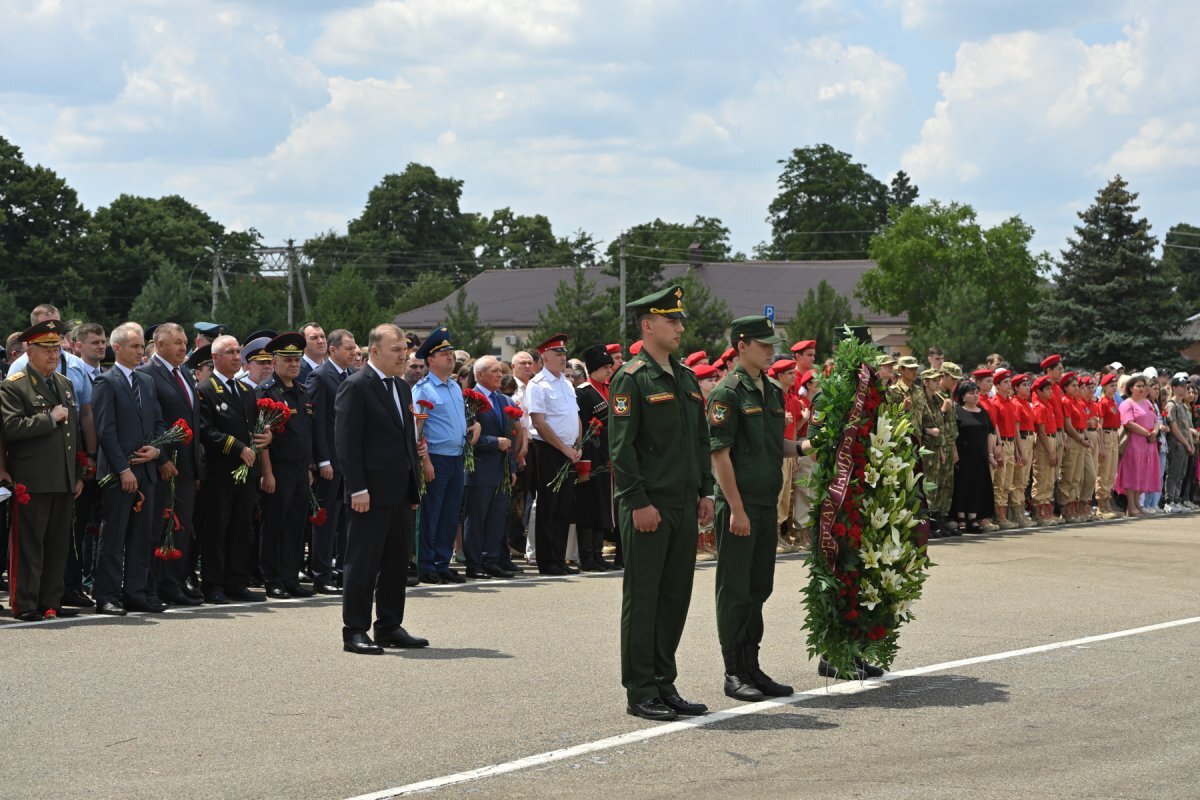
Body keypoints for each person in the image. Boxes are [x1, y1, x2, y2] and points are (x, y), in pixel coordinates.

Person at [609, 284, 714, 722]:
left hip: (683, 504)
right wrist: (637, 501)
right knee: (645, 598)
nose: (679, 326)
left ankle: (665, 682)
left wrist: (705, 490)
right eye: (671, 320)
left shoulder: (686, 377)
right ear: (648, 325)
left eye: (680, 320)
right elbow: (621, 448)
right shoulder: (631, 377)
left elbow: (699, 440)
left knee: (674, 597)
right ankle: (640, 688)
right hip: (649, 505)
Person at [708, 315, 800, 703]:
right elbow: (720, 455)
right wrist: (736, 509)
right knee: (735, 590)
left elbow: (776, 444)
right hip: (740, 508)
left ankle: (752, 665)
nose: (770, 351)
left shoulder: (772, 389)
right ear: (741, 345)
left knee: (759, 588)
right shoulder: (727, 392)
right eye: (763, 345)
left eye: (771, 345)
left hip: (765, 505)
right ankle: (734, 672)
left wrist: (812, 447)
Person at [335, 324, 428, 655]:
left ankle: (389, 625)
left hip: (399, 490)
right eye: (396, 349)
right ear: (374, 351)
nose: (403, 354)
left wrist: (413, 489)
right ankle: (355, 630)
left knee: (396, 562)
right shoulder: (356, 386)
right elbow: (347, 443)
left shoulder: (402, 388)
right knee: (362, 562)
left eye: (404, 349)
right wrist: (357, 487)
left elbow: (406, 441)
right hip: (369, 493)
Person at [0, 320, 83, 620]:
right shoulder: (14, 385)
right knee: (29, 546)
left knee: (57, 545)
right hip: (32, 479)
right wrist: (48, 419)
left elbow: (73, 434)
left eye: (57, 348)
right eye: (46, 349)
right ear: (29, 350)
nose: (53, 354)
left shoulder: (65, 384)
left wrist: (77, 474)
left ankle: (51, 601)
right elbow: (10, 427)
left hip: (62, 478)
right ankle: (25, 604)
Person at [92, 322, 166, 615]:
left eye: (141, 346)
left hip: (145, 470)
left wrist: (157, 450)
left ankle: (135, 591)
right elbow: (105, 431)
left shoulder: (145, 382)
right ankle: (107, 595)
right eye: (135, 347)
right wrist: (123, 469)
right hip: (118, 474)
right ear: (118, 348)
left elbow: (158, 422)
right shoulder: (106, 382)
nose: (140, 352)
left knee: (142, 536)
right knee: (113, 536)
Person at [195, 335, 272, 604]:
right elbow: (206, 431)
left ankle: (236, 580)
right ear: (215, 358)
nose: (236, 356)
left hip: (246, 470)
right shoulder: (206, 389)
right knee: (217, 528)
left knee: (242, 527)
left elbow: (254, 427)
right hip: (219, 471)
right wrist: (238, 447)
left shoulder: (245, 390)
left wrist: (264, 438)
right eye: (229, 352)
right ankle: (213, 584)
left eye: (238, 351)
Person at [139, 322, 203, 606]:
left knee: (181, 528)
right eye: (177, 342)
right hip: (162, 466)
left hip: (187, 467)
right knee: (157, 528)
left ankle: (173, 583)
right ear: (160, 344)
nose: (183, 347)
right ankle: (152, 586)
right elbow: (151, 422)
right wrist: (163, 458)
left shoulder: (185, 374)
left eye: (185, 341)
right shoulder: (147, 374)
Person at [255, 333, 317, 599]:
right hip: (277, 470)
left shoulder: (302, 392)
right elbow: (262, 438)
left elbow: (304, 435)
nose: (294, 365)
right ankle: (272, 578)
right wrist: (267, 472)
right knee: (274, 525)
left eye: (297, 360)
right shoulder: (267, 393)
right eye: (288, 360)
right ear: (275, 361)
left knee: (295, 525)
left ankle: (290, 576)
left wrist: (308, 468)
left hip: (299, 470)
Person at [413, 326, 475, 584]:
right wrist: (425, 461)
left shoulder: (453, 387)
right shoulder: (423, 389)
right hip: (435, 457)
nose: (450, 357)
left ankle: (441, 561)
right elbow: (419, 429)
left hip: (456, 457)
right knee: (431, 513)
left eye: (450, 353)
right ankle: (426, 564)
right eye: (443, 353)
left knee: (450, 514)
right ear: (430, 360)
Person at [526, 333, 582, 575]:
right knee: (549, 505)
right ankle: (547, 561)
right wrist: (564, 448)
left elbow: (575, 416)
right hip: (549, 450)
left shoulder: (566, 384)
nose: (563, 358)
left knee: (564, 507)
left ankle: (559, 558)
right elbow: (539, 422)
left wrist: (578, 444)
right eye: (558, 354)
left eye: (564, 354)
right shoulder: (538, 385)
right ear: (545, 357)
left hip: (570, 451)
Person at [306, 329, 356, 595]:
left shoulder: (351, 376)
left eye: (354, 348)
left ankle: (343, 571)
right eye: (347, 349)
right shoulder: (321, 376)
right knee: (325, 521)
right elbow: (318, 424)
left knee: (346, 521)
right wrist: (321, 460)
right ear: (333, 350)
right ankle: (321, 573)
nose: (352, 353)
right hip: (330, 462)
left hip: (348, 462)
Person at [463, 356, 519, 579]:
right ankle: (474, 563)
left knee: (497, 517)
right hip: (479, 468)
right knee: (477, 518)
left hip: (501, 469)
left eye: (500, 371)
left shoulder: (503, 400)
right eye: (494, 371)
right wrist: (493, 442)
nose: (500, 375)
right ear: (479, 375)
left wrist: (512, 467)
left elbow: (510, 437)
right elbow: (468, 435)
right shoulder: (469, 399)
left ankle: (492, 560)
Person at [574, 344, 615, 572]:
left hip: (607, 455)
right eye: (605, 367)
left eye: (610, 366)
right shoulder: (584, 392)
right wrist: (584, 462)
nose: (609, 370)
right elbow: (581, 427)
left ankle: (598, 553)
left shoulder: (609, 389)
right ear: (593, 368)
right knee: (589, 506)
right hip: (591, 455)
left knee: (602, 505)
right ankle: (587, 555)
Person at [951, 380, 996, 532]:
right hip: (963, 456)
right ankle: (961, 517)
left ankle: (973, 517)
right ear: (963, 396)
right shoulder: (957, 411)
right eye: (971, 393)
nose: (976, 396)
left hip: (980, 456)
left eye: (977, 393)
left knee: (977, 486)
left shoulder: (983, 412)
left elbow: (990, 433)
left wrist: (990, 454)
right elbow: (952, 434)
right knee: (962, 485)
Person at [1114, 375, 1161, 517]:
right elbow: (1128, 422)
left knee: (1143, 473)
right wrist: (1147, 433)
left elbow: (1156, 421)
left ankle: (1138, 505)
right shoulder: (1127, 403)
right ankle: (1131, 505)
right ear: (1130, 388)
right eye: (1138, 386)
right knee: (1132, 473)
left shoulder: (1147, 403)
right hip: (1134, 443)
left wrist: (1155, 432)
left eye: (1143, 385)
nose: (1142, 388)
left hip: (1148, 444)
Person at [1164, 376, 1196, 513]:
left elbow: (1187, 427)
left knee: (1181, 473)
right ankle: (1169, 500)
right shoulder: (1172, 405)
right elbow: (1174, 427)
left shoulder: (1183, 405)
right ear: (1174, 388)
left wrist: (1191, 444)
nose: (1185, 389)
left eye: (1185, 386)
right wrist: (1185, 442)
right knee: (1173, 472)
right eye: (1182, 386)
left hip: (1185, 444)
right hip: (1176, 444)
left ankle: (1177, 498)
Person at [1094, 373, 1122, 518]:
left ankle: (1108, 503)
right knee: (1103, 471)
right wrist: (1101, 446)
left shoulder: (1114, 403)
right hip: (1105, 435)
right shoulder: (1103, 402)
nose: (1114, 388)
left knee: (1111, 472)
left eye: (1115, 385)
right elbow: (1099, 424)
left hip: (1113, 435)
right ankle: (1101, 506)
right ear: (1104, 387)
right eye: (1111, 385)